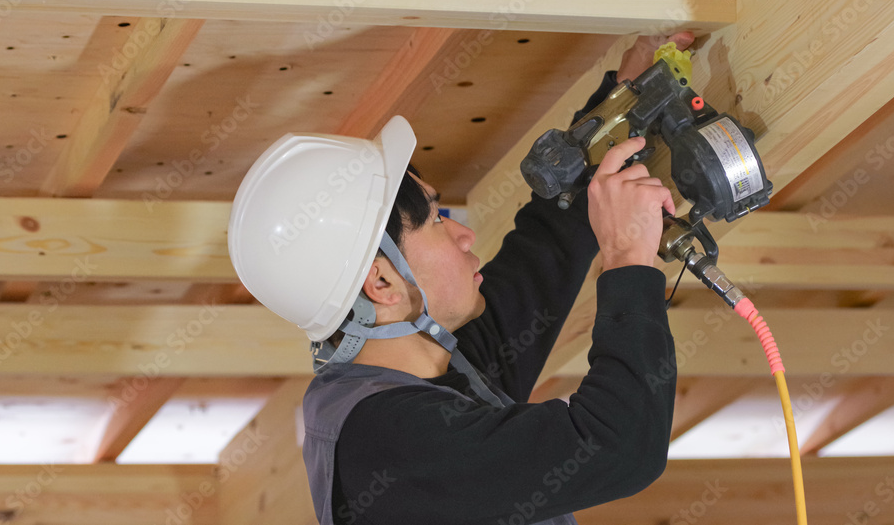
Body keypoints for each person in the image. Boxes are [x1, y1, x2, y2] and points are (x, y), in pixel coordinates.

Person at [228, 32, 694, 525]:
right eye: (436, 220)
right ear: (381, 284)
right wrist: (626, 258)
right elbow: (617, 445)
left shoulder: (434, 380)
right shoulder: (391, 441)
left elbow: (543, 257)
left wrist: (617, 107)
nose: (465, 235)